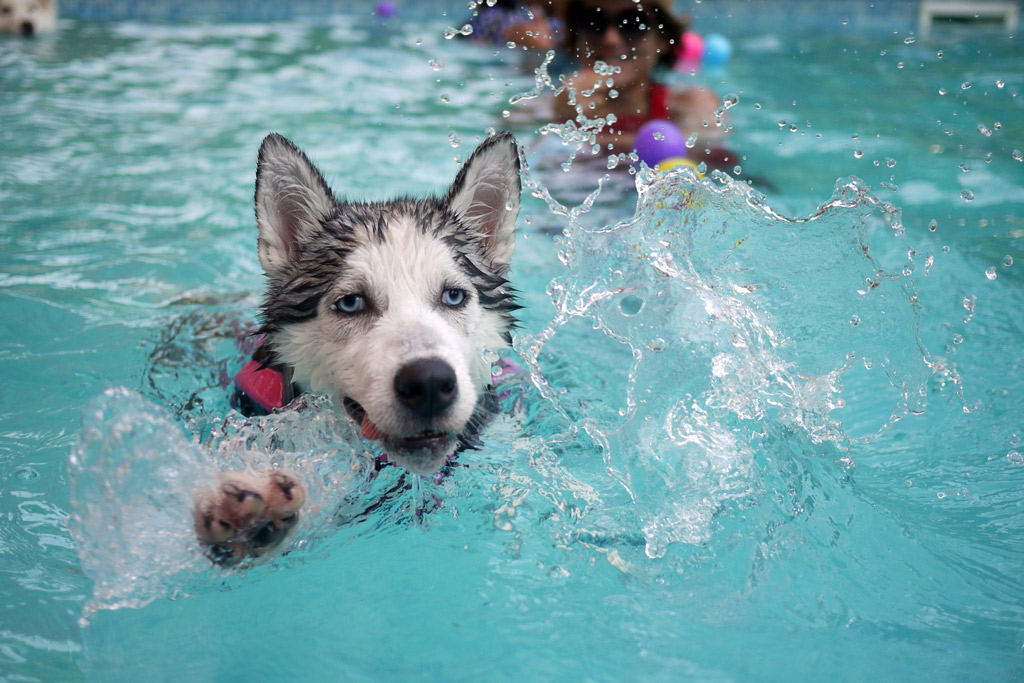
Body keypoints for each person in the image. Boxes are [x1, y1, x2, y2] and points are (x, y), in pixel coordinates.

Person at [554, 0, 732, 168]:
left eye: (632, 23)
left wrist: (570, 138)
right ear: (576, 36)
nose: (611, 40)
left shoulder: (689, 103)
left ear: (663, 39)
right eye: (593, 22)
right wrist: (561, 118)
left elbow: (712, 155)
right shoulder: (554, 105)